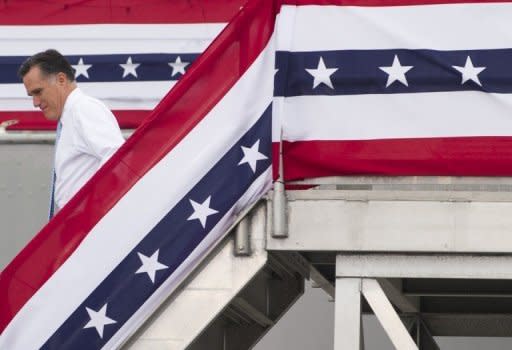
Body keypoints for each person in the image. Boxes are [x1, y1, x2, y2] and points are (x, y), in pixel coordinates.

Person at [18, 49, 124, 217]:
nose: (35, 103)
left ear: (61, 80)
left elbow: (118, 160)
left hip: (87, 222)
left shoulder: (84, 108)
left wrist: (90, 211)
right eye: (32, 95)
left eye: (38, 92)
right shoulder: (70, 116)